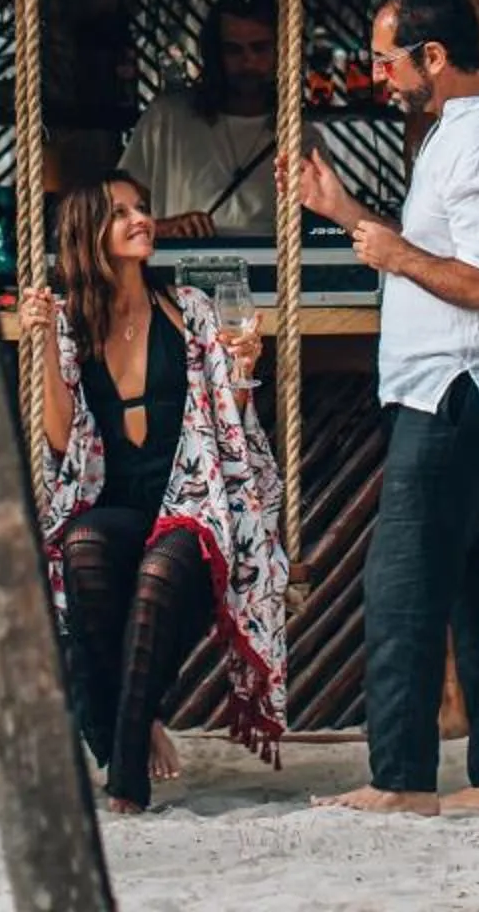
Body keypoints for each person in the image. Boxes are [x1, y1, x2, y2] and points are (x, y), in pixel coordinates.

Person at [298, 0, 479, 819]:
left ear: (432, 56)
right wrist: (345, 212)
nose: (379, 76)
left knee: (401, 583)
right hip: (468, 386)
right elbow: (437, 252)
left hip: (459, 389)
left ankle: (401, 779)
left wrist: (393, 255)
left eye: (386, 60)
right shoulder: (461, 133)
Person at [22, 170, 289, 813]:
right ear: (89, 232)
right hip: (117, 503)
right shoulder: (71, 322)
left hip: (191, 506)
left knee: (160, 573)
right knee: (83, 545)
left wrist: (244, 369)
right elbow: (60, 438)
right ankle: (134, 724)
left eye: (141, 208)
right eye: (121, 213)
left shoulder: (188, 308)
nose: (141, 219)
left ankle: (126, 781)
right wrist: (41, 342)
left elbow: (230, 418)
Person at [121, 0, 283, 238]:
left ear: (281, 51)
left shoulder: (302, 136)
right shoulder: (167, 120)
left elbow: (322, 231)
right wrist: (162, 229)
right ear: (216, 55)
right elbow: (117, 213)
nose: (248, 61)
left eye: (259, 48)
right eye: (233, 50)